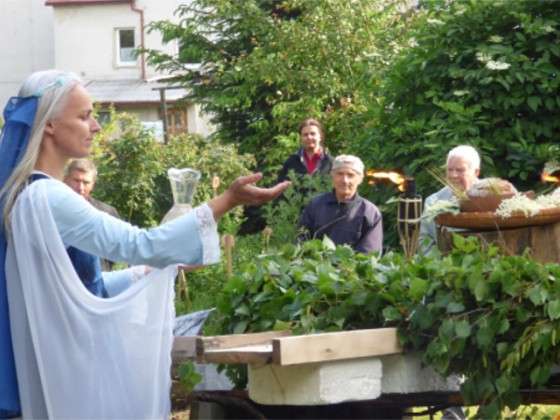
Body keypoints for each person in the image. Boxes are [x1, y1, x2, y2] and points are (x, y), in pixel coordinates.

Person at [0, 70, 290, 419]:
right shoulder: (50, 196)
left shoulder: (28, 195)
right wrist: (227, 200)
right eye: (84, 116)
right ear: (48, 124)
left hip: (58, 357)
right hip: (72, 364)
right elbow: (140, 243)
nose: (95, 126)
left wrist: (150, 271)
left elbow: (82, 285)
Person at [299, 154, 383, 254]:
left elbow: (369, 254)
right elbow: (301, 241)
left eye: (350, 175)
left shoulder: (370, 212)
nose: (344, 180)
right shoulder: (315, 205)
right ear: (332, 175)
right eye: (340, 174)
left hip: (351, 268)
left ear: (360, 179)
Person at [418, 145, 481, 254]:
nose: (453, 175)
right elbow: (424, 241)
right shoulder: (433, 202)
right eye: (450, 169)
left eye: (460, 170)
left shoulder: (493, 198)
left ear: (476, 172)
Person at [64, 158, 121, 276]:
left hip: (99, 281)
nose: (80, 188)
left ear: (93, 184)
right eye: (76, 180)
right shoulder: (53, 210)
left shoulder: (106, 213)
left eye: (86, 182)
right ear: (66, 180)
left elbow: (116, 251)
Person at [276, 117, 334, 183]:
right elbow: (280, 188)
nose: (309, 137)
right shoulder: (291, 162)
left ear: (320, 136)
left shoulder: (331, 163)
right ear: (301, 138)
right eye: (305, 135)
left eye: (313, 134)